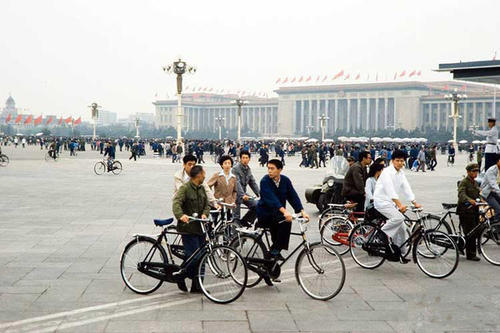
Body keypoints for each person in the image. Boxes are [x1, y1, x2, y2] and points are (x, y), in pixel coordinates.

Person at [373, 150, 422, 263]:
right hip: (382, 202)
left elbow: (406, 188)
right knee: (399, 218)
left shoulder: (401, 173)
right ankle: (380, 235)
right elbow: (390, 190)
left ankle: (400, 253)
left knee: (402, 229)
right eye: (397, 160)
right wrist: (400, 205)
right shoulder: (386, 172)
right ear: (392, 161)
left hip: (391, 203)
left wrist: (414, 202)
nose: (400, 163)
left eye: (402, 161)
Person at [256, 159, 309, 261]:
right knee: (285, 221)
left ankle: (275, 250)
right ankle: (274, 251)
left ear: (280, 169)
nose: (269, 171)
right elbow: (272, 199)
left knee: (286, 222)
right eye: (268, 168)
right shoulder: (265, 181)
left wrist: (302, 211)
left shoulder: (285, 180)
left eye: (272, 168)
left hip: (278, 213)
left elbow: (293, 196)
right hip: (265, 214)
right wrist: (285, 211)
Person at [172, 165, 210, 293]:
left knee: (202, 257)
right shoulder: (185, 188)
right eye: (204, 173)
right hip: (188, 228)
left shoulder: (202, 188)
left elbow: (207, 204)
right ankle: (180, 275)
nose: (205, 175)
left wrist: (205, 213)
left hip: (200, 228)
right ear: (198, 175)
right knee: (194, 257)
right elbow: (176, 202)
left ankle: (197, 286)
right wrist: (181, 216)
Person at [457, 163, 482, 261]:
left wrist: (481, 200)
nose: (475, 173)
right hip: (465, 210)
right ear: (468, 172)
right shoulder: (464, 182)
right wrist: (469, 200)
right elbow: (461, 194)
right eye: (473, 171)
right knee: (470, 232)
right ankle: (470, 254)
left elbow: (477, 195)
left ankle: (462, 246)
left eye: (477, 171)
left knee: (475, 230)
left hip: (474, 210)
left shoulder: (475, 183)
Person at [232, 150, 260, 226]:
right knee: (236, 218)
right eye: (243, 158)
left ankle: (245, 221)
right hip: (235, 195)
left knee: (257, 206)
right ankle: (235, 236)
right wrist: (242, 195)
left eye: (246, 158)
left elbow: (252, 182)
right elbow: (236, 183)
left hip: (244, 194)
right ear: (240, 159)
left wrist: (260, 194)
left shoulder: (248, 169)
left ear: (249, 159)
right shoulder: (235, 169)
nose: (245, 160)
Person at [479, 155, 500, 222]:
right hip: (487, 193)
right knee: (498, 209)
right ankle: (495, 226)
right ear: (497, 161)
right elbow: (493, 184)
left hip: (494, 192)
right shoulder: (492, 170)